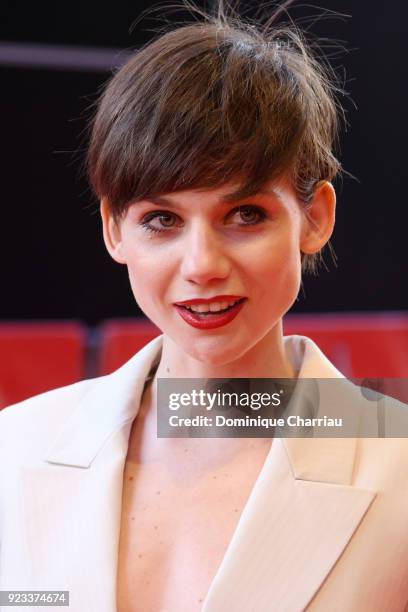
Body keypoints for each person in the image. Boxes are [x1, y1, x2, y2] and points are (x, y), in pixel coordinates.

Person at [1, 3, 407, 611]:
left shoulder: (397, 465)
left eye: (245, 215)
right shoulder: (14, 451)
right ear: (114, 229)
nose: (202, 265)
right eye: (161, 220)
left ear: (315, 217)